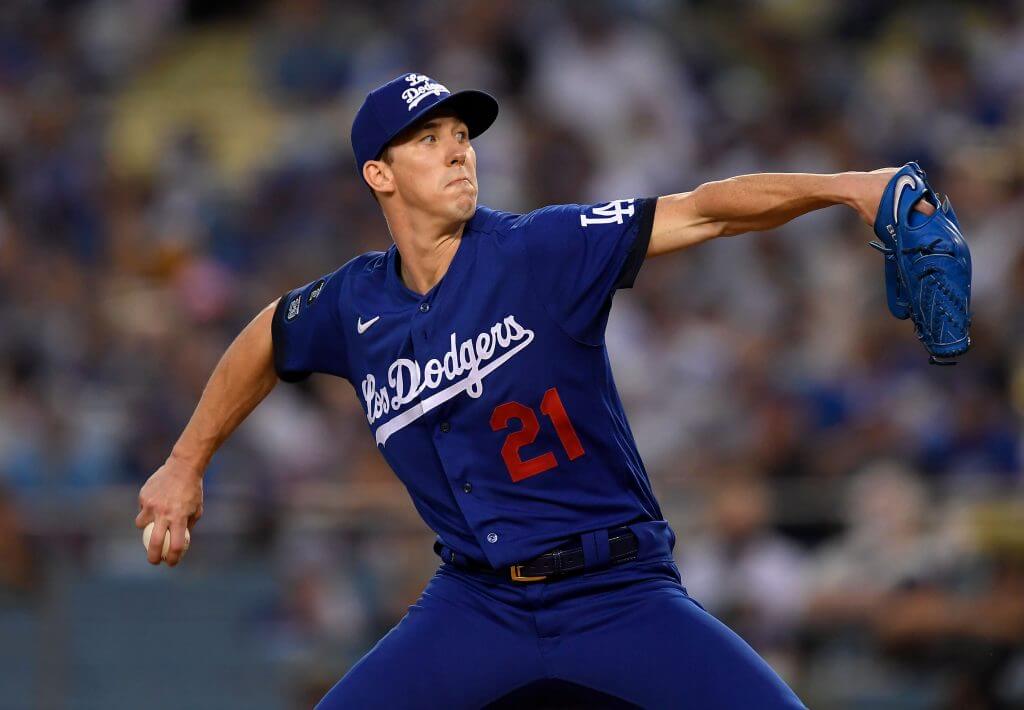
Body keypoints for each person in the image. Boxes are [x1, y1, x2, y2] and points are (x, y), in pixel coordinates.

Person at [135, 72, 933, 708]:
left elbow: (704, 214)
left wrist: (850, 187)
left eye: (461, 136)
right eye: (427, 139)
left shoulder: (538, 250)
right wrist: (184, 462)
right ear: (378, 174)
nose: (457, 152)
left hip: (616, 592)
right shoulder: (352, 304)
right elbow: (265, 337)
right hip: (475, 605)